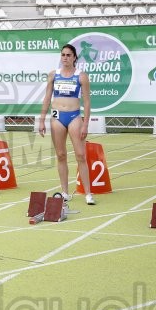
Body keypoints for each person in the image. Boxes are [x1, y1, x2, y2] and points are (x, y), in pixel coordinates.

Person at [38, 44, 95, 207]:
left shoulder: (81, 76)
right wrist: (41, 120)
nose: (65, 58)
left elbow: (87, 101)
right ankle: (65, 192)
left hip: (74, 116)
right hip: (57, 117)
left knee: (80, 155)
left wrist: (85, 124)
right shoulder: (53, 75)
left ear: (74, 57)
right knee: (61, 155)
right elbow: (47, 98)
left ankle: (88, 193)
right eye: (63, 55)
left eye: (69, 55)